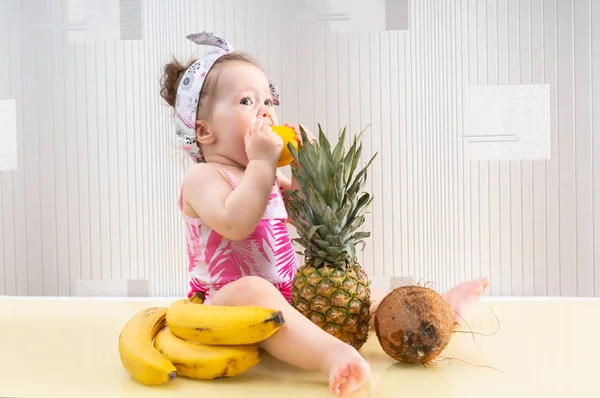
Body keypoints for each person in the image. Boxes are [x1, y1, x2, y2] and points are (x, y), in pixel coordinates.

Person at [159, 31, 490, 396]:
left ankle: (438, 314)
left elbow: (305, 219)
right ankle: (331, 355)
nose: (265, 111)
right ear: (203, 131)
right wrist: (263, 163)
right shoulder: (204, 177)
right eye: (246, 101)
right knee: (254, 289)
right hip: (224, 303)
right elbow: (236, 224)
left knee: (365, 295)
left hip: (288, 291)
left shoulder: (264, 172)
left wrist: (304, 169)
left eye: (269, 99)